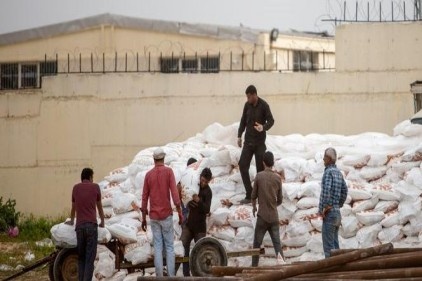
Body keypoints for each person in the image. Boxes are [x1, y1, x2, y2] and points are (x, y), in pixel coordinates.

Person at [141, 147, 183, 277]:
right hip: (166, 215)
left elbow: (144, 197)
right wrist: (180, 213)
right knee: (169, 247)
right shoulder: (169, 172)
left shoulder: (148, 175)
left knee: (158, 247)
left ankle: (159, 277)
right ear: (163, 159)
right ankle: (171, 276)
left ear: (154, 160)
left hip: (153, 216)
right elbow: (175, 196)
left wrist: (143, 217)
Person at [66, 167, 105, 281]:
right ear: (90, 177)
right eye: (92, 177)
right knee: (89, 260)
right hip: (91, 227)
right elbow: (99, 206)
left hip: (80, 228)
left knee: (81, 258)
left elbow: (74, 208)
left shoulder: (75, 188)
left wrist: (72, 220)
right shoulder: (95, 187)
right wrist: (102, 221)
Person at [238, 85, 275, 204]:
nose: (248, 99)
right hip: (248, 142)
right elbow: (243, 120)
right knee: (243, 165)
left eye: (249, 97)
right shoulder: (247, 105)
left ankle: (260, 195)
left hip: (259, 143)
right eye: (247, 97)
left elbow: (271, 120)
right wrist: (239, 135)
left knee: (260, 171)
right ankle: (249, 194)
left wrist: (263, 127)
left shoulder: (264, 105)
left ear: (254, 95)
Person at [251, 151, 284, 266]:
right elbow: (280, 199)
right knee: (277, 245)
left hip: (262, 217)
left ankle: (253, 269)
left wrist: (254, 207)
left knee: (256, 245)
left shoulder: (259, 176)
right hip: (274, 217)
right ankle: (283, 269)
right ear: (272, 163)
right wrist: (273, 205)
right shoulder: (277, 178)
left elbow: (253, 196)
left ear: (263, 162)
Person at [180, 167, 213, 276]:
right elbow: (186, 197)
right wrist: (188, 202)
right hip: (189, 225)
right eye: (202, 180)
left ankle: (199, 276)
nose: (203, 183)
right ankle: (185, 275)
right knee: (182, 247)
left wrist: (199, 201)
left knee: (200, 252)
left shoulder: (208, 192)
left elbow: (207, 209)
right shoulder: (194, 185)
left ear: (209, 181)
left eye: (205, 182)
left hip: (200, 227)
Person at [318, 147, 348, 258]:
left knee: (329, 250)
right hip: (337, 214)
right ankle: (338, 273)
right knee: (335, 247)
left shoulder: (328, 173)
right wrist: (338, 205)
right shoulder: (339, 173)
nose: (323, 159)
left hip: (329, 214)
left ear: (329, 159)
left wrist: (324, 209)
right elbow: (344, 191)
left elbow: (326, 193)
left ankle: (331, 273)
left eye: (325, 157)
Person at [177, 157, 198, 226]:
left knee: (185, 215)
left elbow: (178, 187)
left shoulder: (184, 174)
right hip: (194, 200)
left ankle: (185, 229)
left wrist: (179, 200)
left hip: (185, 199)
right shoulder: (196, 173)